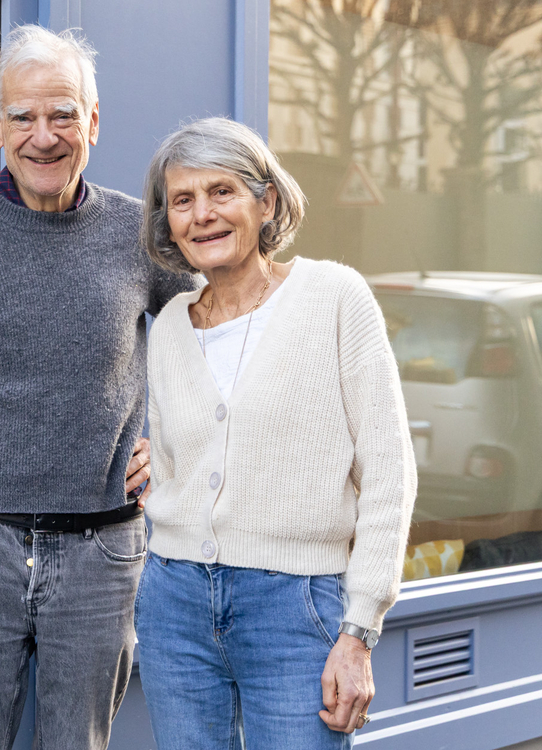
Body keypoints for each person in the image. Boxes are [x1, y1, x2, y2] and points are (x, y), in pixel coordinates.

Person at [0, 25, 195, 749]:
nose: (42, 136)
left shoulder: (140, 235)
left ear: (94, 121)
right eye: (23, 116)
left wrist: (171, 445)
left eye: (63, 114)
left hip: (102, 552)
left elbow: (212, 343)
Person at [136, 117, 416, 748]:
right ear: (169, 222)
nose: (202, 214)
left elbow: (389, 469)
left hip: (296, 608)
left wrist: (361, 626)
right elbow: (182, 456)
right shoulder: (172, 325)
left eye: (222, 191)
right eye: (183, 200)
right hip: (173, 602)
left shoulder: (334, 296)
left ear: (265, 202)